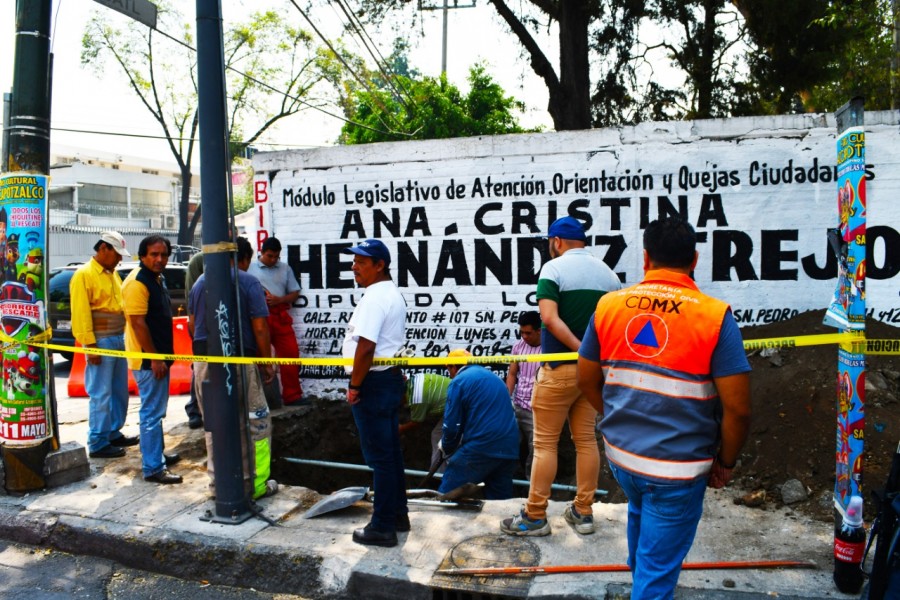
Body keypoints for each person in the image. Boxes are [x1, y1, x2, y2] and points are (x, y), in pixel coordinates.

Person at [577, 217, 752, 599]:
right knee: (657, 577)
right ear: (694, 259)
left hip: (624, 459)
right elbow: (738, 409)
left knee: (642, 525)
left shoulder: (608, 306)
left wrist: (612, 417)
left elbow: (586, 378)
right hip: (678, 471)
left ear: (645, 258)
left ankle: (640, 579)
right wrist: (726, 461)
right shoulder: (713, 316)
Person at [501, 216, 621, 537]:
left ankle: (535, 516)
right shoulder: (609, 275)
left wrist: (581, 350)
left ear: (555, 242)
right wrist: (592, 358)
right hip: (592, 374)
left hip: (559, 370)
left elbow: (550, 321)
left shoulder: (552, 270)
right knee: (585, 440)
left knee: (543, 444)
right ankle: (583, 511)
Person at [189, 237, 277, 499]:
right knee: (256, 423)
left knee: (215, 425)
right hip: (241, 363)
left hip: (204, 363)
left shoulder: (200, 282)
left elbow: (193, 325)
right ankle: (255, 485)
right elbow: (260, 327)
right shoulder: (248, 281)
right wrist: (266, 363)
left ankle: (219, 485)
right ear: (245, 259)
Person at [340, 239, 407, 547]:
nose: (354, 266)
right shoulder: (388, 293)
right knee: (390, 455)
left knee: (381, 458)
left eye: (362, 262)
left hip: (374, 383)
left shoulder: (376, 297)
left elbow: (366, 347)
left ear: (380, 265)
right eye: (354, 260)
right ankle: (397, 516)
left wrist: (355, 385)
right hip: (386, 380)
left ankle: (382, 526)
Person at [69, 230, 138, 459]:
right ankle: (98, 441)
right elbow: (80, 313)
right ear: (103, 249)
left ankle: (112, 432)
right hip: (101, 339)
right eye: (116, 253)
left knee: (119, 391)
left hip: (118, 337)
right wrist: (90, 345)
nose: (119, 258)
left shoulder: (112, 274)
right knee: (101, 392)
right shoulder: (84, 275)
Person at [122, 235, 183, 485]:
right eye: (154, 255)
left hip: (158, 358)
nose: (160, 259)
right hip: (149, 360)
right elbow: (137, 323)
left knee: (156, 411)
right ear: (142, 256)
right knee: (151, 413)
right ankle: (153, 467)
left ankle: (156, 455)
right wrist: (155, 358)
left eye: (164, 255)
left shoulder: (157, 278)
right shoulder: (137, 282)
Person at [438, 349, 520, 500]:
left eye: (448, 370)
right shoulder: (494, 378)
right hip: (509, 448)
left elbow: (452, 425)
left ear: (452, 367)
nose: (449, 374)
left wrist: (446, 447)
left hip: (482, 446)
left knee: (447, 494)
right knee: (499, 504)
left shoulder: (459, 381)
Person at [247, 237, 304, 405]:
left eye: (276, 257)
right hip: (258, 317)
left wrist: (279, 300)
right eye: (270, 256)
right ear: (261, 252)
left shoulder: (285, 268)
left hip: (280, 316)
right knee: (259, 357)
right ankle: (259, 399)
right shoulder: (249, 268)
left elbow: (295, 293)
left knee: (291, 354)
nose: (273, 260)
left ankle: (293, 396)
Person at [505, 310, 542, 478]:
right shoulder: (518, 346)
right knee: (508, 443)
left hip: (537, 410)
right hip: (518, 405)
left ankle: (532, 485)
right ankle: (510, 479)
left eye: (528, 333)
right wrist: (506, 401)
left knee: (536, 449)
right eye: (522, 332)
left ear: (539, 331)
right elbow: (512, 374)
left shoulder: (550, 349)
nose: (524, 336)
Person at [399, 372, 451, 473]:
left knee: (444, 437)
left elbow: (417, 422)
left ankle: (441, 474)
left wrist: (401, 429)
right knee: (438, 435)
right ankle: (438, 474)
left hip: (458, 406)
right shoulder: (413, 381)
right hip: (453, 404)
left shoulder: (416, 398)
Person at [183, 250, 205, 429]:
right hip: (202, 321)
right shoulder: (199, 261)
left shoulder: (232, 257)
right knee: (200, 368)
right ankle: (194, 409)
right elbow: (192, 295)